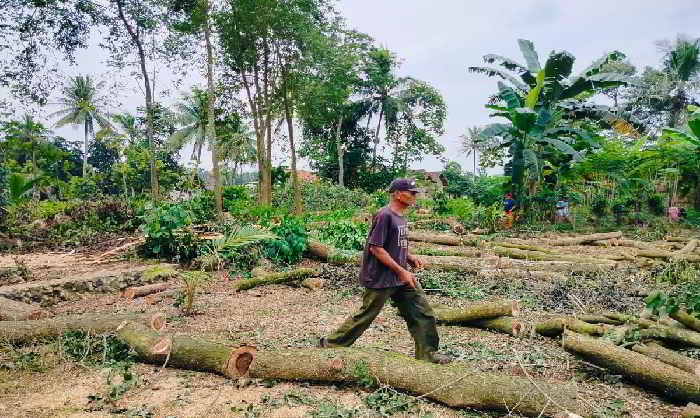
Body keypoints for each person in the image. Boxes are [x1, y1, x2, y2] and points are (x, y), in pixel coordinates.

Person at [319, 178, 452, 364]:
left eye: (415, 193)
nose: (414, 196)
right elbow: (376, 248)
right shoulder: (384, 215)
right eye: (411, 192)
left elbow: (394, 244)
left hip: (400, 278)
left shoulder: (401, 216)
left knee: (423, 312)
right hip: (381, 278)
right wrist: (401, 271)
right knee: (365, 316)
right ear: (397, 193)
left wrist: (409, 257)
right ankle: (330, 344)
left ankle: (428, 353)